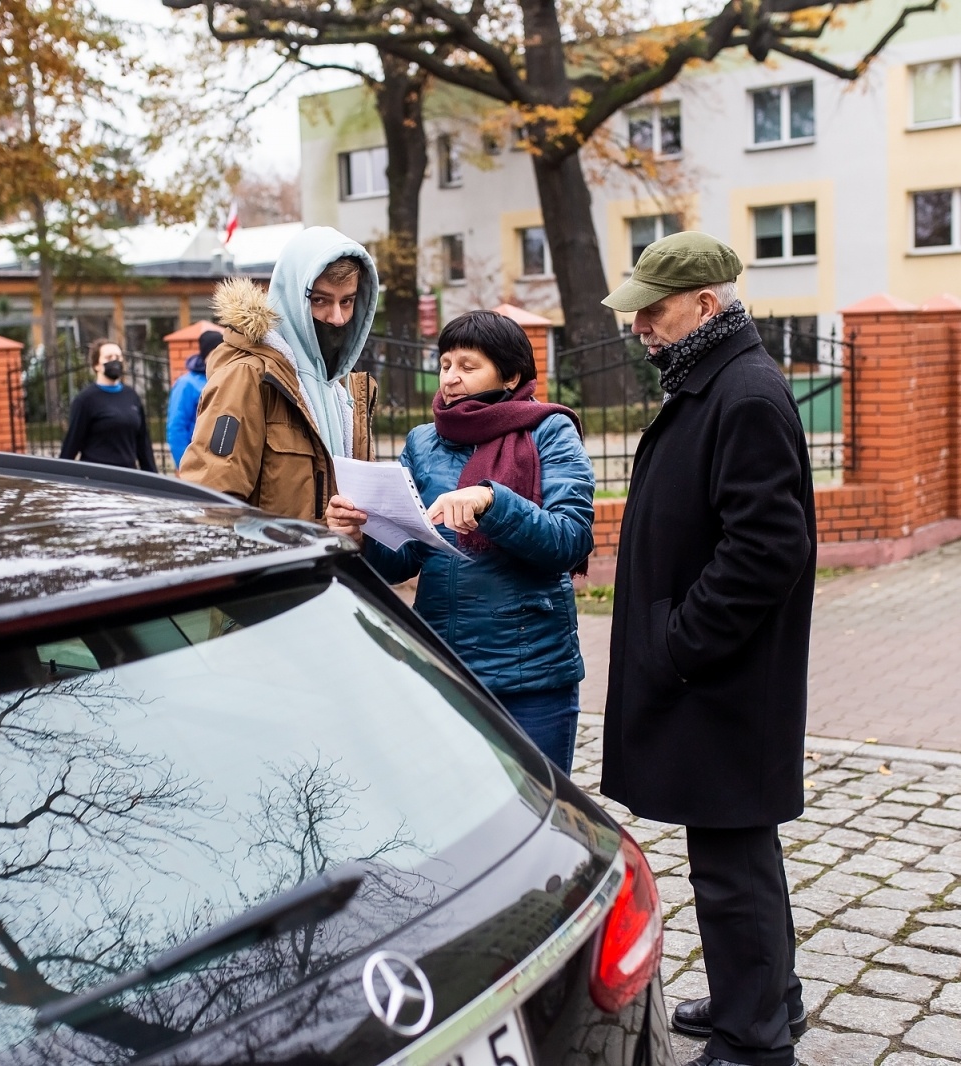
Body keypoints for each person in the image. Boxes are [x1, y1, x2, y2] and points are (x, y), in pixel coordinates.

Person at [597, 232, 816, 1066]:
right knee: (737, 851)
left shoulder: (743, 392)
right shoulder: (715, 379)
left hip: (726, 679)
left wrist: (680, 643)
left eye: (652, 311)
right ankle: (766, 1000)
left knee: (732, 865)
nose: (640, 326)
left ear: (704, 304)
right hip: (718, 676)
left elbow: (767, 548)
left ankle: (753, 1043)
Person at [324, 310, 595, 772]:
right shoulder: (423, 442)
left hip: (530, 674)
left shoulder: (548, 430)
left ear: (510, 376)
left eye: (468, 367)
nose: (450, 377)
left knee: (538, 806)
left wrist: (492, 502)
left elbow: (570, 539)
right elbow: (407, 556)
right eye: (445, 364)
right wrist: (361, 537)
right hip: (442, 666)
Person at [177, 227, 379, 521]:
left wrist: (357, 534)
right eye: (320, 300)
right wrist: (322, 532)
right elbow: (212, 506)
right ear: (292, 298)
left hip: (339, 553)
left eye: (346, 301)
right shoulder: (249, 377)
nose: (337, 318)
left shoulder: (347, 388)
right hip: (278, 554)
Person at [59, 337, 158, 472]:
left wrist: (152, 475)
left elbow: (143, 443)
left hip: (128, 475)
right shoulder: (85, 400)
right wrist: (62, 476)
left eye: (118, 357)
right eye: (109, 357)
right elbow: (72, 443)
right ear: (96, 365)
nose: (115, 361)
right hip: (97, 476)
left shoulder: (131, 396)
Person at [166, 329, 221, 464]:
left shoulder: (226, 379)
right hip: (199, 462)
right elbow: (176, 427)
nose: (220, 357)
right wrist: (185, 465)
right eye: (215, 352)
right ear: (205, 356)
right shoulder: (187, 384)